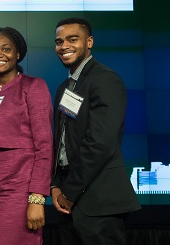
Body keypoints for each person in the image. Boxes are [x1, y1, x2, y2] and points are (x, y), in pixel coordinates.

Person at [51, 17, 141, 245]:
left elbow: (100, 143)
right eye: (59, 41)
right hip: (67, 201)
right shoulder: (65, 87)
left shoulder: (105, 80)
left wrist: (69, 192)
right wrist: (55, 186)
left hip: (99, 202)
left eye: (73, 39)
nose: (64, 46)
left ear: (89, 42)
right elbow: (61, 142)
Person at [0, 27, 53, 244]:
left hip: (21, 192)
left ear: (18, 53)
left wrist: (37, 198)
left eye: (6, 49)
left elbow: (44, 146)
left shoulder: (33, 87)